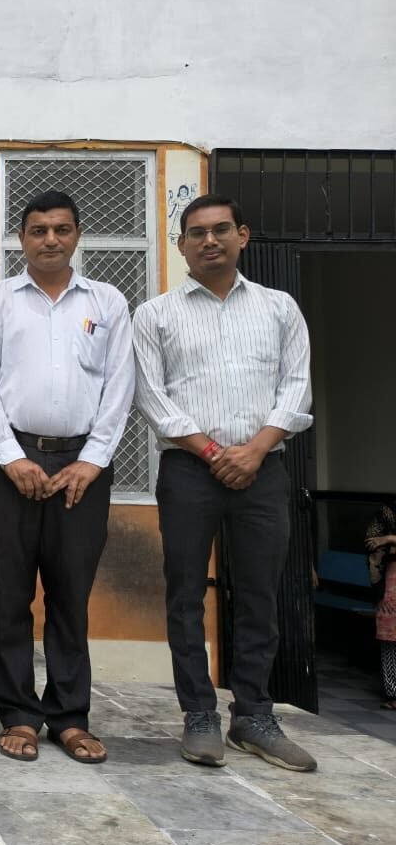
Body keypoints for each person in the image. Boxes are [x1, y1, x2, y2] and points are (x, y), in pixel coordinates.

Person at [134, 193, 316, 772]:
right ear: (181, 245)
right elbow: (151, 396)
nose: (208, 241)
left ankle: (254, 716)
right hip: (189, 471)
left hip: (263, 470)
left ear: (243, 235)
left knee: (261, 593)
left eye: (220, 230)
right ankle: (199, 715)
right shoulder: (156, 315)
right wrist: (213, 452)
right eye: (196, 233)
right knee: (186, 593)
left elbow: (297, 386)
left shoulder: (279, 308)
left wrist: (256, 449)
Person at [0, 190, 134, 764]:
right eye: (38, 230)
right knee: (9, 594)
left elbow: (119, 385)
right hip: (8, 462)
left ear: (77, 235)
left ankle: (69, 716)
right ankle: (17, 712)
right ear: (22, 238)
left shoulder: (107, 301)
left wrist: (92, 460)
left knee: (70, 595)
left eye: (61, 229)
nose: (50, 240)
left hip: (82, 467)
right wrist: (11, 458)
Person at [363, 501, 396, 710]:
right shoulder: (388, 511)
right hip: (390, 580)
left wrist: (389, 538)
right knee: (389, 636)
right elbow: (370, 541)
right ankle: (393, 692)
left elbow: (379, 540)